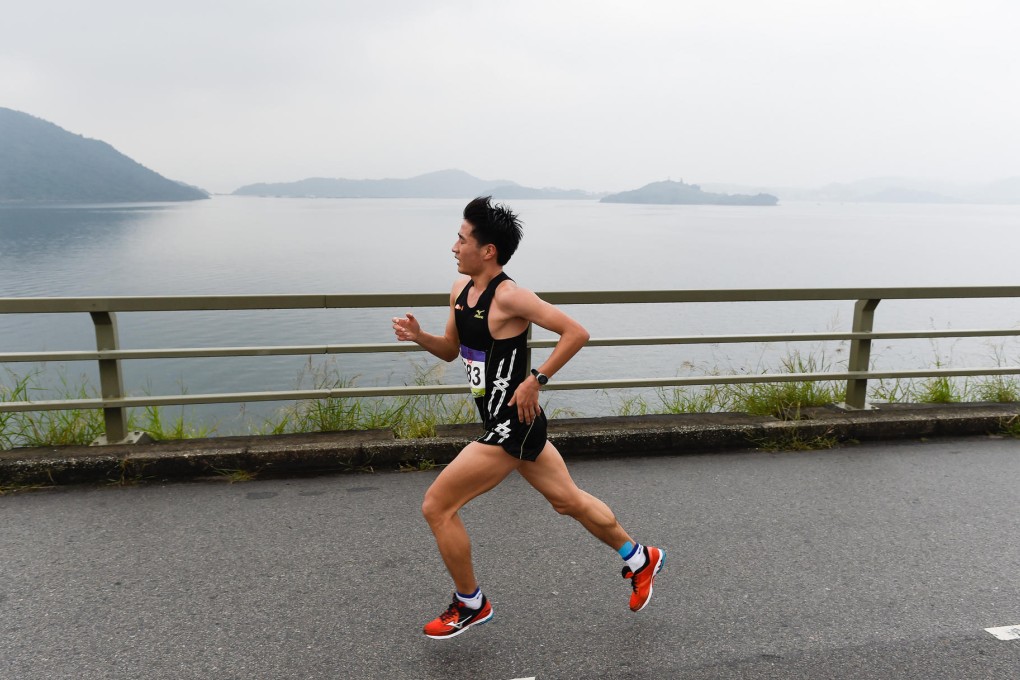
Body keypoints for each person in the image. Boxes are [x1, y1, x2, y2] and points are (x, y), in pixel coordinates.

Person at [392, 196, 664, 640]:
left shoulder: (511, 296)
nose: (454, 246)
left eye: (461, 239)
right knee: (568, 501)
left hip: (511, 427)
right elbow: (451, 349)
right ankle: (640, 558)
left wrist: (537, 378)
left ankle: (470, 604)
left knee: (438, 506)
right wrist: (418, 335)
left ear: (488, 251)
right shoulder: (460, 292)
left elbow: (576, 332)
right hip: (513, 421)